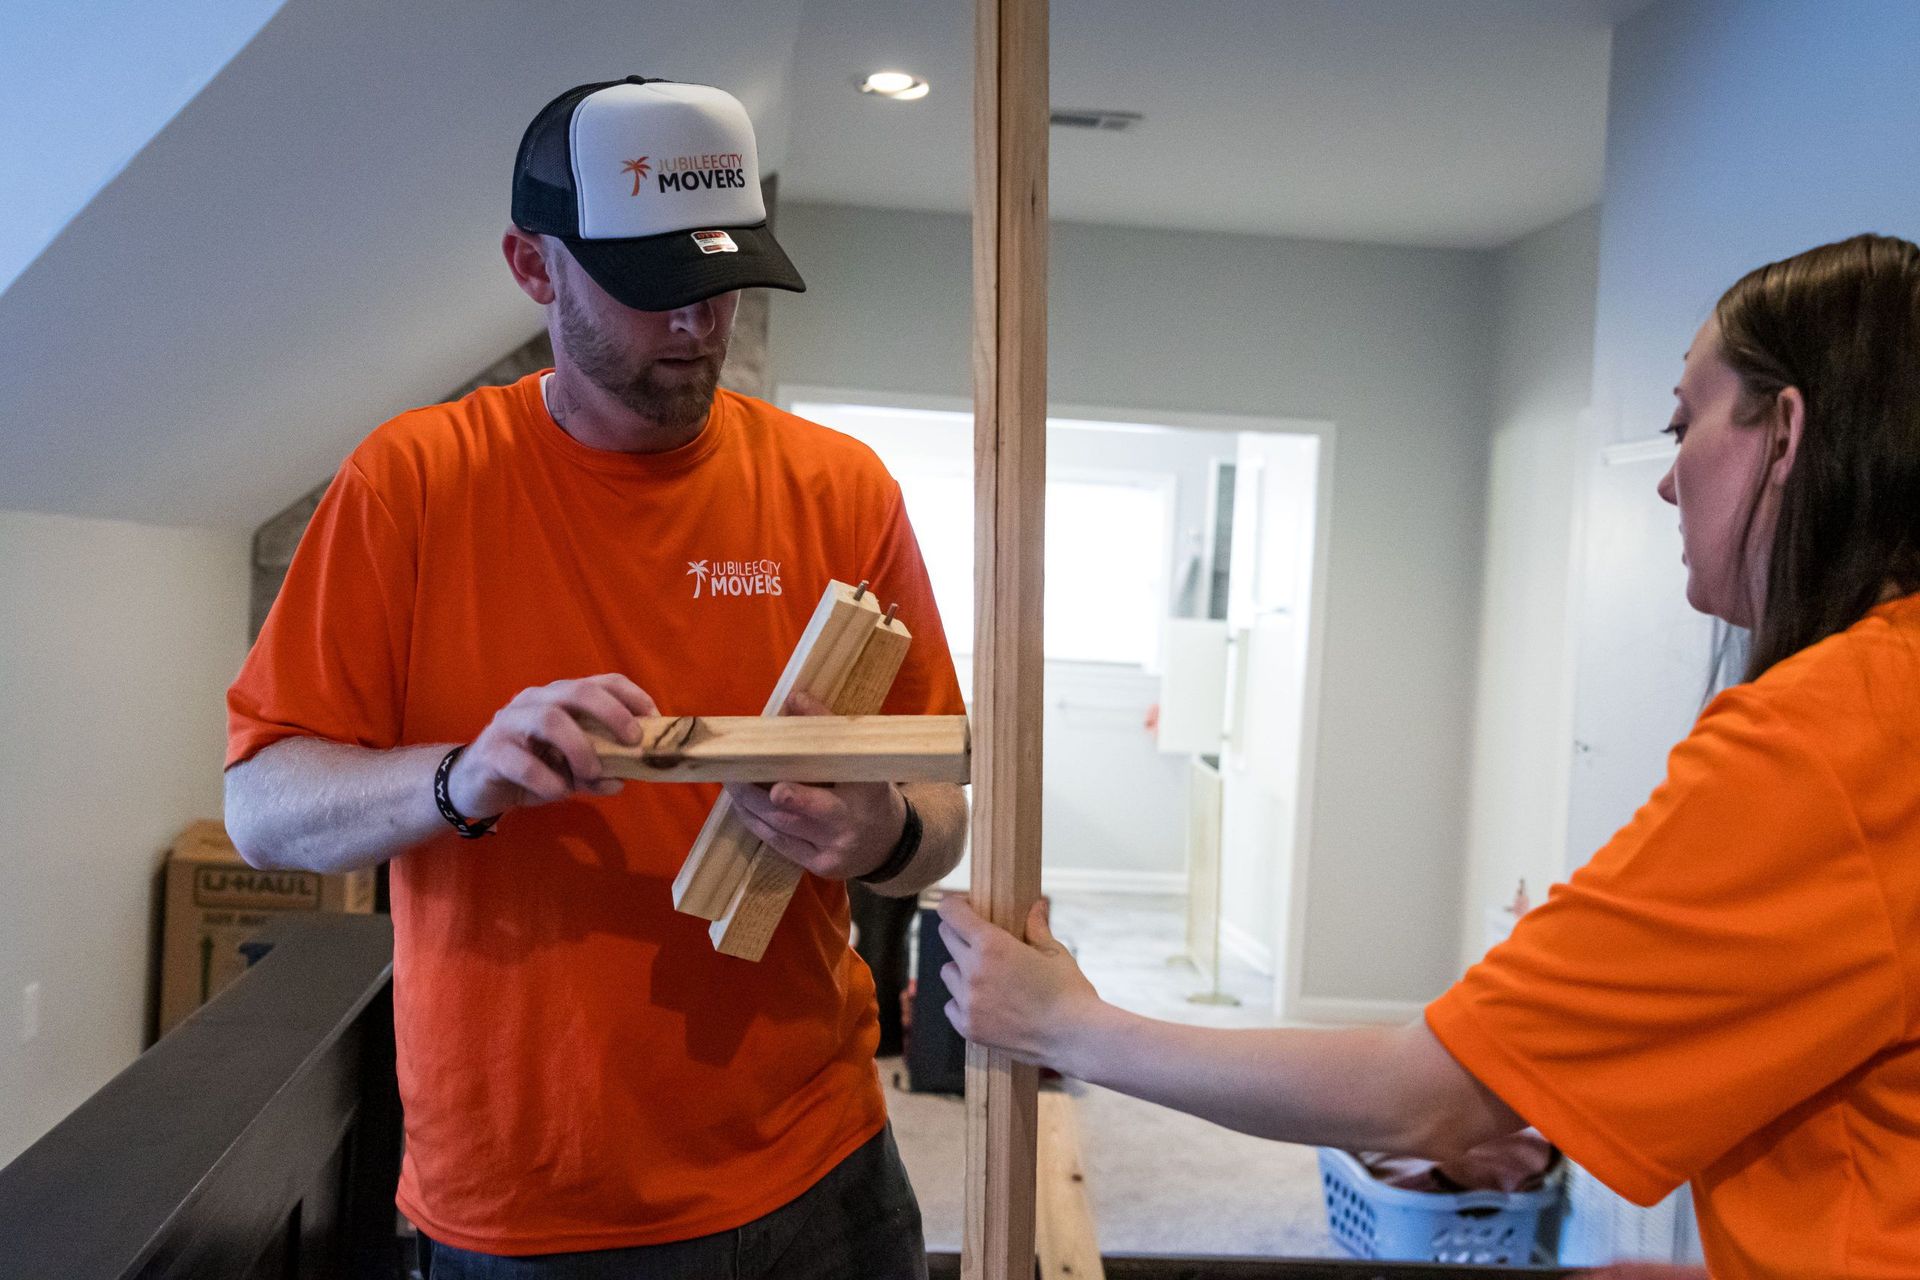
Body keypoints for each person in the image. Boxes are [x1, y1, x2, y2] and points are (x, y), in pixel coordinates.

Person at [938, 233, 1920, 1280]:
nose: (1670, 481)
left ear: (1786, 433)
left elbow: (1429, 1095)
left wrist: (1073, 1025)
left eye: (1685, 421)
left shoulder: (1820, 741)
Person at [223, 77, 968, 1279]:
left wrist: (883, 833)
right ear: (533, 265)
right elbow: (261, 807)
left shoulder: (842, 491)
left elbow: (944, 812)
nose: (698, 325)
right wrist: (461, 776)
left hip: (819, 1170)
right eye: (653, 289)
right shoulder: (412, 485)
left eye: (723, 283)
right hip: (530, 1206)